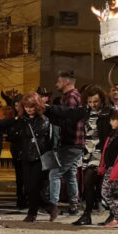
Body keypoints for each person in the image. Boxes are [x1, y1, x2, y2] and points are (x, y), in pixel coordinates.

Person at [46, 85, 113, 226]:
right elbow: (66, 113)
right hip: (88, 151)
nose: (93, 105)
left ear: (102, 100)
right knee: (88, 183)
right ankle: (87, 215)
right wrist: (47, 108)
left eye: (96, 101)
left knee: (102, 186)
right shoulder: (85, 112)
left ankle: (113, 215)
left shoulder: (109, 112)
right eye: (90, 101)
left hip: (103, 151)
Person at [7, 91, 54, 222]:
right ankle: (49, 207)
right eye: (26, 106)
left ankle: (32, 213)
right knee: (28, 187)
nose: (29, 109)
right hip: (26, 156)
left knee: (35, 186)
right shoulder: (23, 119)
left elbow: (41, 136)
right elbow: (14, 133)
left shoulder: (43, 120)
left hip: (40, 156)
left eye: (31, 106)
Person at [47, 70, 84, 216]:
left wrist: (51, 112)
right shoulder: (74, 96)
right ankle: (74, 205)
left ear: (66, 82)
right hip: (75, 142)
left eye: (59, 81)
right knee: (70, 174)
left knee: (54, 173)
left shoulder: (71, 97)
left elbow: (68, 118)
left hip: (72, 142)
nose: (57, 84)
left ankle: (53, 205)